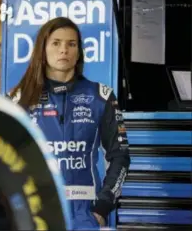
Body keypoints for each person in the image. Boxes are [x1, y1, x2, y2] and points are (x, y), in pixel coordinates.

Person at [8, 17, 131, 230]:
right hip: (34, 214)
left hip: (85, 216)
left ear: (79, 51)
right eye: (56, 43)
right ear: (42, 49)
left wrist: (101, 209)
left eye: (71, 44)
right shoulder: (19, 99)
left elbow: (120, 156)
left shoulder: (101, 96)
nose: (63, 50)